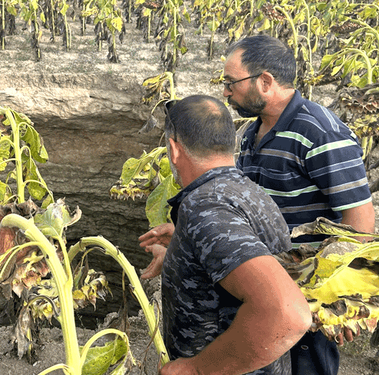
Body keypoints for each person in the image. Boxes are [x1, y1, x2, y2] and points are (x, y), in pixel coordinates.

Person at [141, 35, 376, 375]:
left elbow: (360, 222)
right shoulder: (253, 134)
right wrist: (188, 243)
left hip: (302, 291)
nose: (225, 91)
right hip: (259, 282)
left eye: (230, 82)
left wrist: (331, 298)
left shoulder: (321, 132)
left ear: (265, 81)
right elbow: (239, 212)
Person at [146, 95, 311, 375]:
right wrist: (180, 252)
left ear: (174, 149)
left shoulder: (205, 207)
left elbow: (287, 313)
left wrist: (197, 369)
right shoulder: (248, 191)